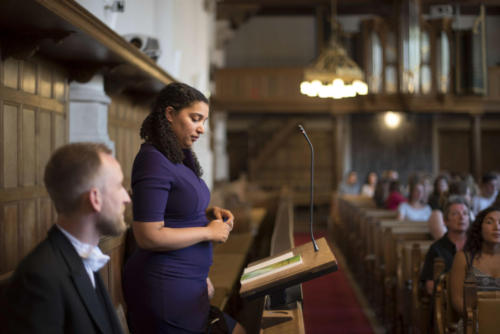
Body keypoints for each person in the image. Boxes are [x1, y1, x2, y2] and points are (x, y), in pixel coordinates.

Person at [123, 82, 245, 334]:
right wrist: (208, 233)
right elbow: (148, 235)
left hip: (190, 282)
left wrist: (208, 214)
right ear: (169, 114)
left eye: (204, 120)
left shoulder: (177, 156)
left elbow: (176, 210)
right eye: (195, 118)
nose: (201, 128)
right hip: (165, 289)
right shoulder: (152, 160)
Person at [1, 143, 130, 334]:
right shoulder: (39, 279)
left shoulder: (82, 255)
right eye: (119, 186)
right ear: (95, 198)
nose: (126, 198)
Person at [449, 206, 500, 317]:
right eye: (490, 222)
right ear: (479, 228)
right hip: (472, 322)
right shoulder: (464, 258)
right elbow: (457, 299)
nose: (497, 227)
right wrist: (477, 317)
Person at [420, 196, 470, 295]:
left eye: (465, 213)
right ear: (445, 221)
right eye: (455, 214)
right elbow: (430, 286)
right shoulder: (436, 249)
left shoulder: (477, 245)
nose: (462, 217)